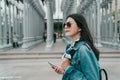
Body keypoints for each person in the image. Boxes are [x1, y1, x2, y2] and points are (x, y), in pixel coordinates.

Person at [51, 14, 100, 80]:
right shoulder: (70, 47)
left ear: (79, 28)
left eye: (69, 24)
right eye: (64, 25)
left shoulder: (83, 50)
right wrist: (64, 71)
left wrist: (68, 68)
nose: (65, 27)